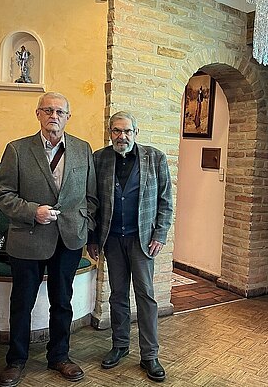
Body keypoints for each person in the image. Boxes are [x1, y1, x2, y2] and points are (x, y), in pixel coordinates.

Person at [0, 92, 97, 387]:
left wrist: (85, 225)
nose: (54, 116)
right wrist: (31, 211)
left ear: (68, 117)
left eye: (60, 112)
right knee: (22, 303)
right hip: (28, 239)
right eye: (48, 110)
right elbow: (0, 192)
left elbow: (91, 196)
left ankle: (59, 356)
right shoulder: (17, 149)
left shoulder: (82, 149)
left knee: (62, 302)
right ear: (37, 114)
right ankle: (16, 360)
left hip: (69, 239)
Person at [87, 111, 173, 382]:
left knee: (145, 296)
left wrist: (160, 234)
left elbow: (165, 201)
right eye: (116, 131)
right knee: (117, 295)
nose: (121, 136)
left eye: (127, 131)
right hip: (112, 239)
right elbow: (92, 202)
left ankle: (150, 355)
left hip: (142, 240)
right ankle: (120, 345)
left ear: (136, 132)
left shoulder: (155, 158)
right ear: (110, 132)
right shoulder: (99, 159)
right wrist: (92, 238)